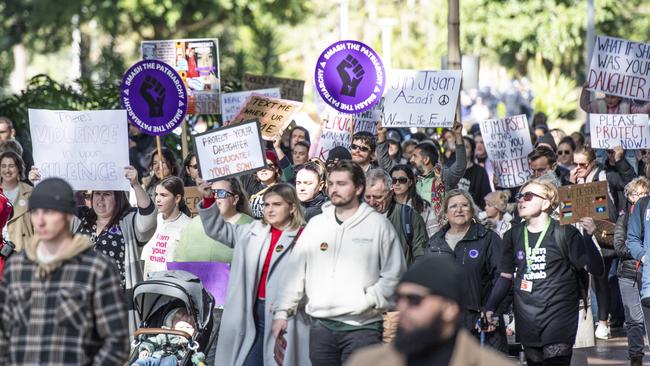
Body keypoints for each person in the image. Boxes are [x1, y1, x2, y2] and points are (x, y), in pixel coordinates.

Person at [272, 161, 406, 366]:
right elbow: (296, 271)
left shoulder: (379, 226)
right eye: (332, 183)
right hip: (321, 327)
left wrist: (368, 300)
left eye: (342, 183)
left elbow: (394, 275)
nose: (335, 189)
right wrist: (282, 311)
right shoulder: (316, 225)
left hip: (363, 329)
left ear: (359, 188)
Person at [0, 177, 129, 364]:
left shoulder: (97, 269)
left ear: (68, 216)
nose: (41, 220)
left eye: (50, 212)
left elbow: (117, 342)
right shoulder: (17, 267)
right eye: (36, 212)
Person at [198, 182, 310, 366]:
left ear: (291, 207)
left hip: (285, 315)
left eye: (277, 204)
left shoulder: (305, 236)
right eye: (266, 204)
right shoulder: (251, 230)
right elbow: (217, 229)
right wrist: (209, 198)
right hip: (251, 311)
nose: (270, 209)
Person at [502, 177, 604, 366]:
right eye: (520, 196)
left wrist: (588, 239)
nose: (521, 200)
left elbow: (596, 270)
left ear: (547, 203)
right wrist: (492, 308)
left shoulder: (565, 232)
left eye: (529, 196)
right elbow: (504, 277)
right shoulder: (512, 235)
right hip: (527, 314)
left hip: (559, 313)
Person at [346, 257, 515, 366]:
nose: (402, 308)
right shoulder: (365, 362)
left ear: (449, 309)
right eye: (399, 298)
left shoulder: (490, 363)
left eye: (414, 300)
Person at [423, 189, 510, 352]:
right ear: (446, 213)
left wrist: (493, 312)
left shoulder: (488, 238)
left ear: (472, 210)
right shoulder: (434, 244)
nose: (459, 209)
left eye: (464, 205)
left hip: (483, 324)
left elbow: (503, 278)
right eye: (453, 206)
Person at [175, 178, 254, 264]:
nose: (215, 197)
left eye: (221, 193)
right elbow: (179, 259)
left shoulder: (249, 225)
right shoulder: (194, 223)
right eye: (212, 193)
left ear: (235, 199)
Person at [613, 177, 649, 366]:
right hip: (628, 274)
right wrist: (640, 253)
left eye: (644, 193)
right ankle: (635, 355)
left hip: (647, 272)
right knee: (633, 319)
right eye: (636, 193)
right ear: (629, 197)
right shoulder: (624, 217)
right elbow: (619, 245)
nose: (641, 196)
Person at [407, 122, 466, 234]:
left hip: (440, 234)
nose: (411, 160)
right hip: (415, 233)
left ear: (425, 160)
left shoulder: (443, 177)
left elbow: (460, 166)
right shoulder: (409, 179)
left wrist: (458, 135)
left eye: (415, 156)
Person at [579, 82, 650, 174]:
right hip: (604, 149)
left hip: (626, 149)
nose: (609, 100)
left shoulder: (627, 104)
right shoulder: (599, 104)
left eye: (613, 97)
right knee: (600, 168)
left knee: (631, 167)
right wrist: (585, 89)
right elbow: (585, 106)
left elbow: (642, 111)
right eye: (607, 96)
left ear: (620, 96)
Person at [365, 169, 428, 265]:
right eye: (368, 197)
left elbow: (421, 257)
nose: (372, 202)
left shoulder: (409, 216)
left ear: (391, 193)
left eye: (378, 197)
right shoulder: (356, 217)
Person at [141, 176, 192, 277]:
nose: (158, 199)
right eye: (157, 194)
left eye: (163, 195)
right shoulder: (152, 220)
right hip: (147, 283)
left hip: (171, 285)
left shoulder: (188, 225)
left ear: (177, 198)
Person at [132, 309, 204, 366]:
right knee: (146, 361)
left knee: (171, 360)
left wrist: (198, 357)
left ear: (195, 331)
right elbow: (153, 341)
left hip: (172, 361)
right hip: (155, 357)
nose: (184, 330)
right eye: (181, 327)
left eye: (188, 327)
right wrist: (145, 350)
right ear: (173, 328)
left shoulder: (192, 344)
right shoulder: (166, 335)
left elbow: (197, 356)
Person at [389, 164, 436, 237]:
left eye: (402, 180)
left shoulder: (422, 206)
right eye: (393, 180)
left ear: (410, 182)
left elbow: (434, 235)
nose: (397, 184)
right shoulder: (385, 205)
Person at [0, 151, 33, 249]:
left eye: (11, 166)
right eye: (3, 166)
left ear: (19, 168)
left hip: (23, 253)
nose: (7, 170)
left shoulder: (31, 193)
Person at [246, 150, 283, 219]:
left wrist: (277, 147)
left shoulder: (283, 188)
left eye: (268, 166)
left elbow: (288, 171)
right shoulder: (249, 183)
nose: (263, 170)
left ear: (276, 169)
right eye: (259, 166)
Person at [458, 136, 492, 209]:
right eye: (459, 146)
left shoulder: (480, 172)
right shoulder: (448, 170)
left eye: (466, 147)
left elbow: (485, 199)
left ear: (472, 151)